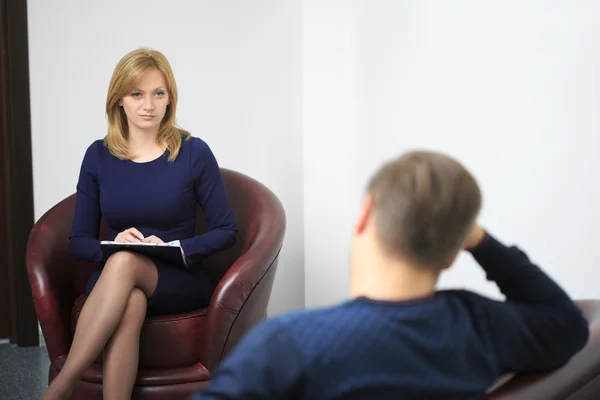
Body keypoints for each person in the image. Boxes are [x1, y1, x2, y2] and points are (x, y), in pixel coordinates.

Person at [192, 150, 589, 400]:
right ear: (453, 253)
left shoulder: (287, 343)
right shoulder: (478, 327)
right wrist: (480, 240)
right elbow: (566, 322)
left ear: (365, 215)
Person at [42, 48, 237, 400]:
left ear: (169, 100)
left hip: (177, 279)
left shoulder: (194, 152)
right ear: (119, 100)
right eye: (137, 94)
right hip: (116, 279)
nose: (148, 104)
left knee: (125, 263)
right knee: (129, 297)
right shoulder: (97, 156)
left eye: (158, 93)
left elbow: (227, 230)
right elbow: (79, 240)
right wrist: (114, 242)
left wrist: (172, 247)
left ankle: (62, 386)